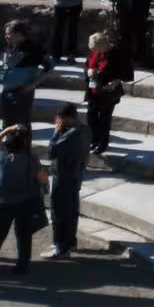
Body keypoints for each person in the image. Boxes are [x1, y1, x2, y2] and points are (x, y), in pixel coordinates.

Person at [0, 125, 47, 277]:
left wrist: (7, 130)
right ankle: (22, 266)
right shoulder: (32, 160)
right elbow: (43, 179)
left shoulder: (2, 159)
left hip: (3, 203)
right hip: (26, 203)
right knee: (24, 236)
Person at [44, 101, 89, 259]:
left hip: (63, 178)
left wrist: (56, 132)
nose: (58, 122)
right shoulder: (85, 130)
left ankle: (59, 246)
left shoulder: (70, 135)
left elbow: (51, 152)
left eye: (60, 119)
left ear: (68, 118)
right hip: (76, 176)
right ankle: (69, 243)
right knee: (71, 212)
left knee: (58, 213)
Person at [0, 20, 51, 131]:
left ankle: (22, 147)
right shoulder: (10, 46)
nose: (6, 36)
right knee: (7, 125)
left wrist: (32, 85)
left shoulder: (35, 50)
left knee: (21, 125)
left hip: (22, 94)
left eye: (9, 33)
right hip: (7, 91)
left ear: (19, 34)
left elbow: (49, 67)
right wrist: (2, 74)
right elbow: (5, 65)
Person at [84, 32, 122, 154]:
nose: (94, 50)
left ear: (102, 45)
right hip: (93, 89)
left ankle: (102, 143)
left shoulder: (115, 54)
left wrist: (98, 73)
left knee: (105, 119)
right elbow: (87, 65)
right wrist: (88, 71)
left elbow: (119, 73)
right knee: (91, 115)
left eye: (95, 48)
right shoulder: (94, 51)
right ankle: (94, 140)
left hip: (107, 92)